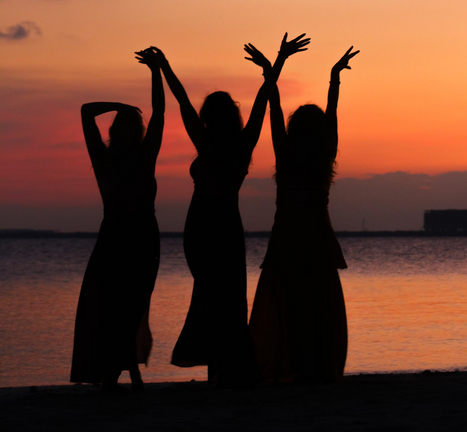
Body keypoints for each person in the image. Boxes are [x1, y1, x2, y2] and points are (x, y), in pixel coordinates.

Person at [150, 33, 310, 387]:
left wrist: (163, 68)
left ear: (210, 117)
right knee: (224, 297)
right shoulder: (239, 144)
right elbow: (262, 98)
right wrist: (278, 61)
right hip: (218, 227)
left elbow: (182, 102)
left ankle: (221, 370)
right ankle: (225, 368)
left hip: (206, 227)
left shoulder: (210, 144)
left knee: (213, 295)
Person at [246, 44, 359, 383]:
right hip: (315, 238)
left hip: (289, 238)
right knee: (317, 306)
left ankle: (294, 364)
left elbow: (274, 107)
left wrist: (273, 68)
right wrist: (334, 78)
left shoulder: (287, 152)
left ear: (297, 130)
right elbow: (331, 112)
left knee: (292, 305)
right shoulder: (324, 153)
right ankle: (316, 366)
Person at [70, 48, 164, 392]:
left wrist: (156, 72)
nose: (126, 132)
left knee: (133, 303)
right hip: (117, 236)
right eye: (122, 126)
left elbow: (160, 114)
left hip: (140, 235)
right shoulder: (105, 159)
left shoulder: (143, 156)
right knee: (112, 304)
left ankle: (129, 370)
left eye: (129, 126)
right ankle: (117, 372)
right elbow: (85, 112)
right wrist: (121, 106)